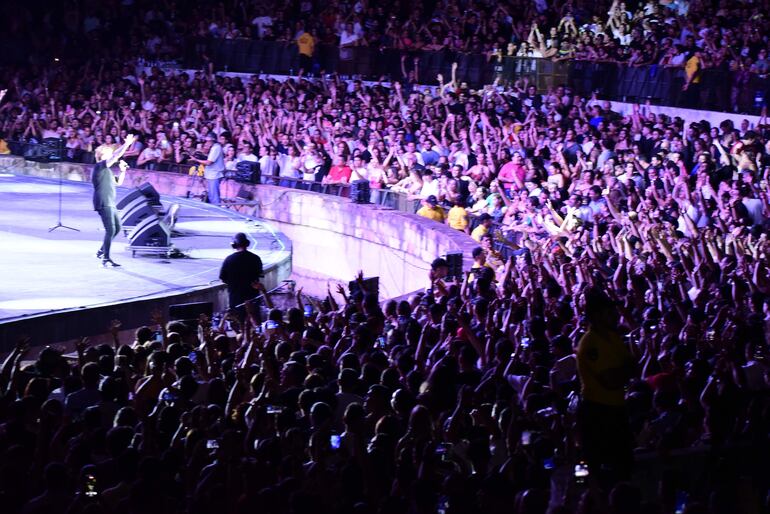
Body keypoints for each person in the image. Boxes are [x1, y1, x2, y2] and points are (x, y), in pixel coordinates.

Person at [576, 287, 635, 489]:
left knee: (623, 468)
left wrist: (624, 370)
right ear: (597, 315)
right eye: (610, 312)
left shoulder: (613, 337)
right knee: (600, 471)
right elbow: (612, 380)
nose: (615, 315)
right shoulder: (591, 343)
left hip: (616, 410)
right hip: (597, 414)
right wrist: (625, 369)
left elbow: (630, 369)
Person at [92, 133, 136, 267]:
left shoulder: (108, 171)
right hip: (103, 202)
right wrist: (127, 145)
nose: (111, 154)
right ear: (102, 155)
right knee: (110, 230)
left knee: (116, 229)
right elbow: (116, 155)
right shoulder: (99, 166)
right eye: (108, 153)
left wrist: (122, 171)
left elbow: (118, 183)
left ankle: (101, 251)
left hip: (110, 202)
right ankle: (106, 258)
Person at [219, 232, 264, 318]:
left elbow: (223, 278)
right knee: (254, 323)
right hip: (252, 299)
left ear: (234, 245)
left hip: (235, 300)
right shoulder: (256, 258)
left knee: (239, 324)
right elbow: (259, 276)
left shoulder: (228, 260)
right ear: (247, 243)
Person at [195, 133, 225, 205]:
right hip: (210, 175)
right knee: (211, 196)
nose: (207, 142)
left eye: (208, 141)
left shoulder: (216, 148)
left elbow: (209, 162)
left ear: (213, 140)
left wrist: (196, 160)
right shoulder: (212, 148)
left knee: (214, 197)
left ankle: (217, 213)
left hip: (214, 175)